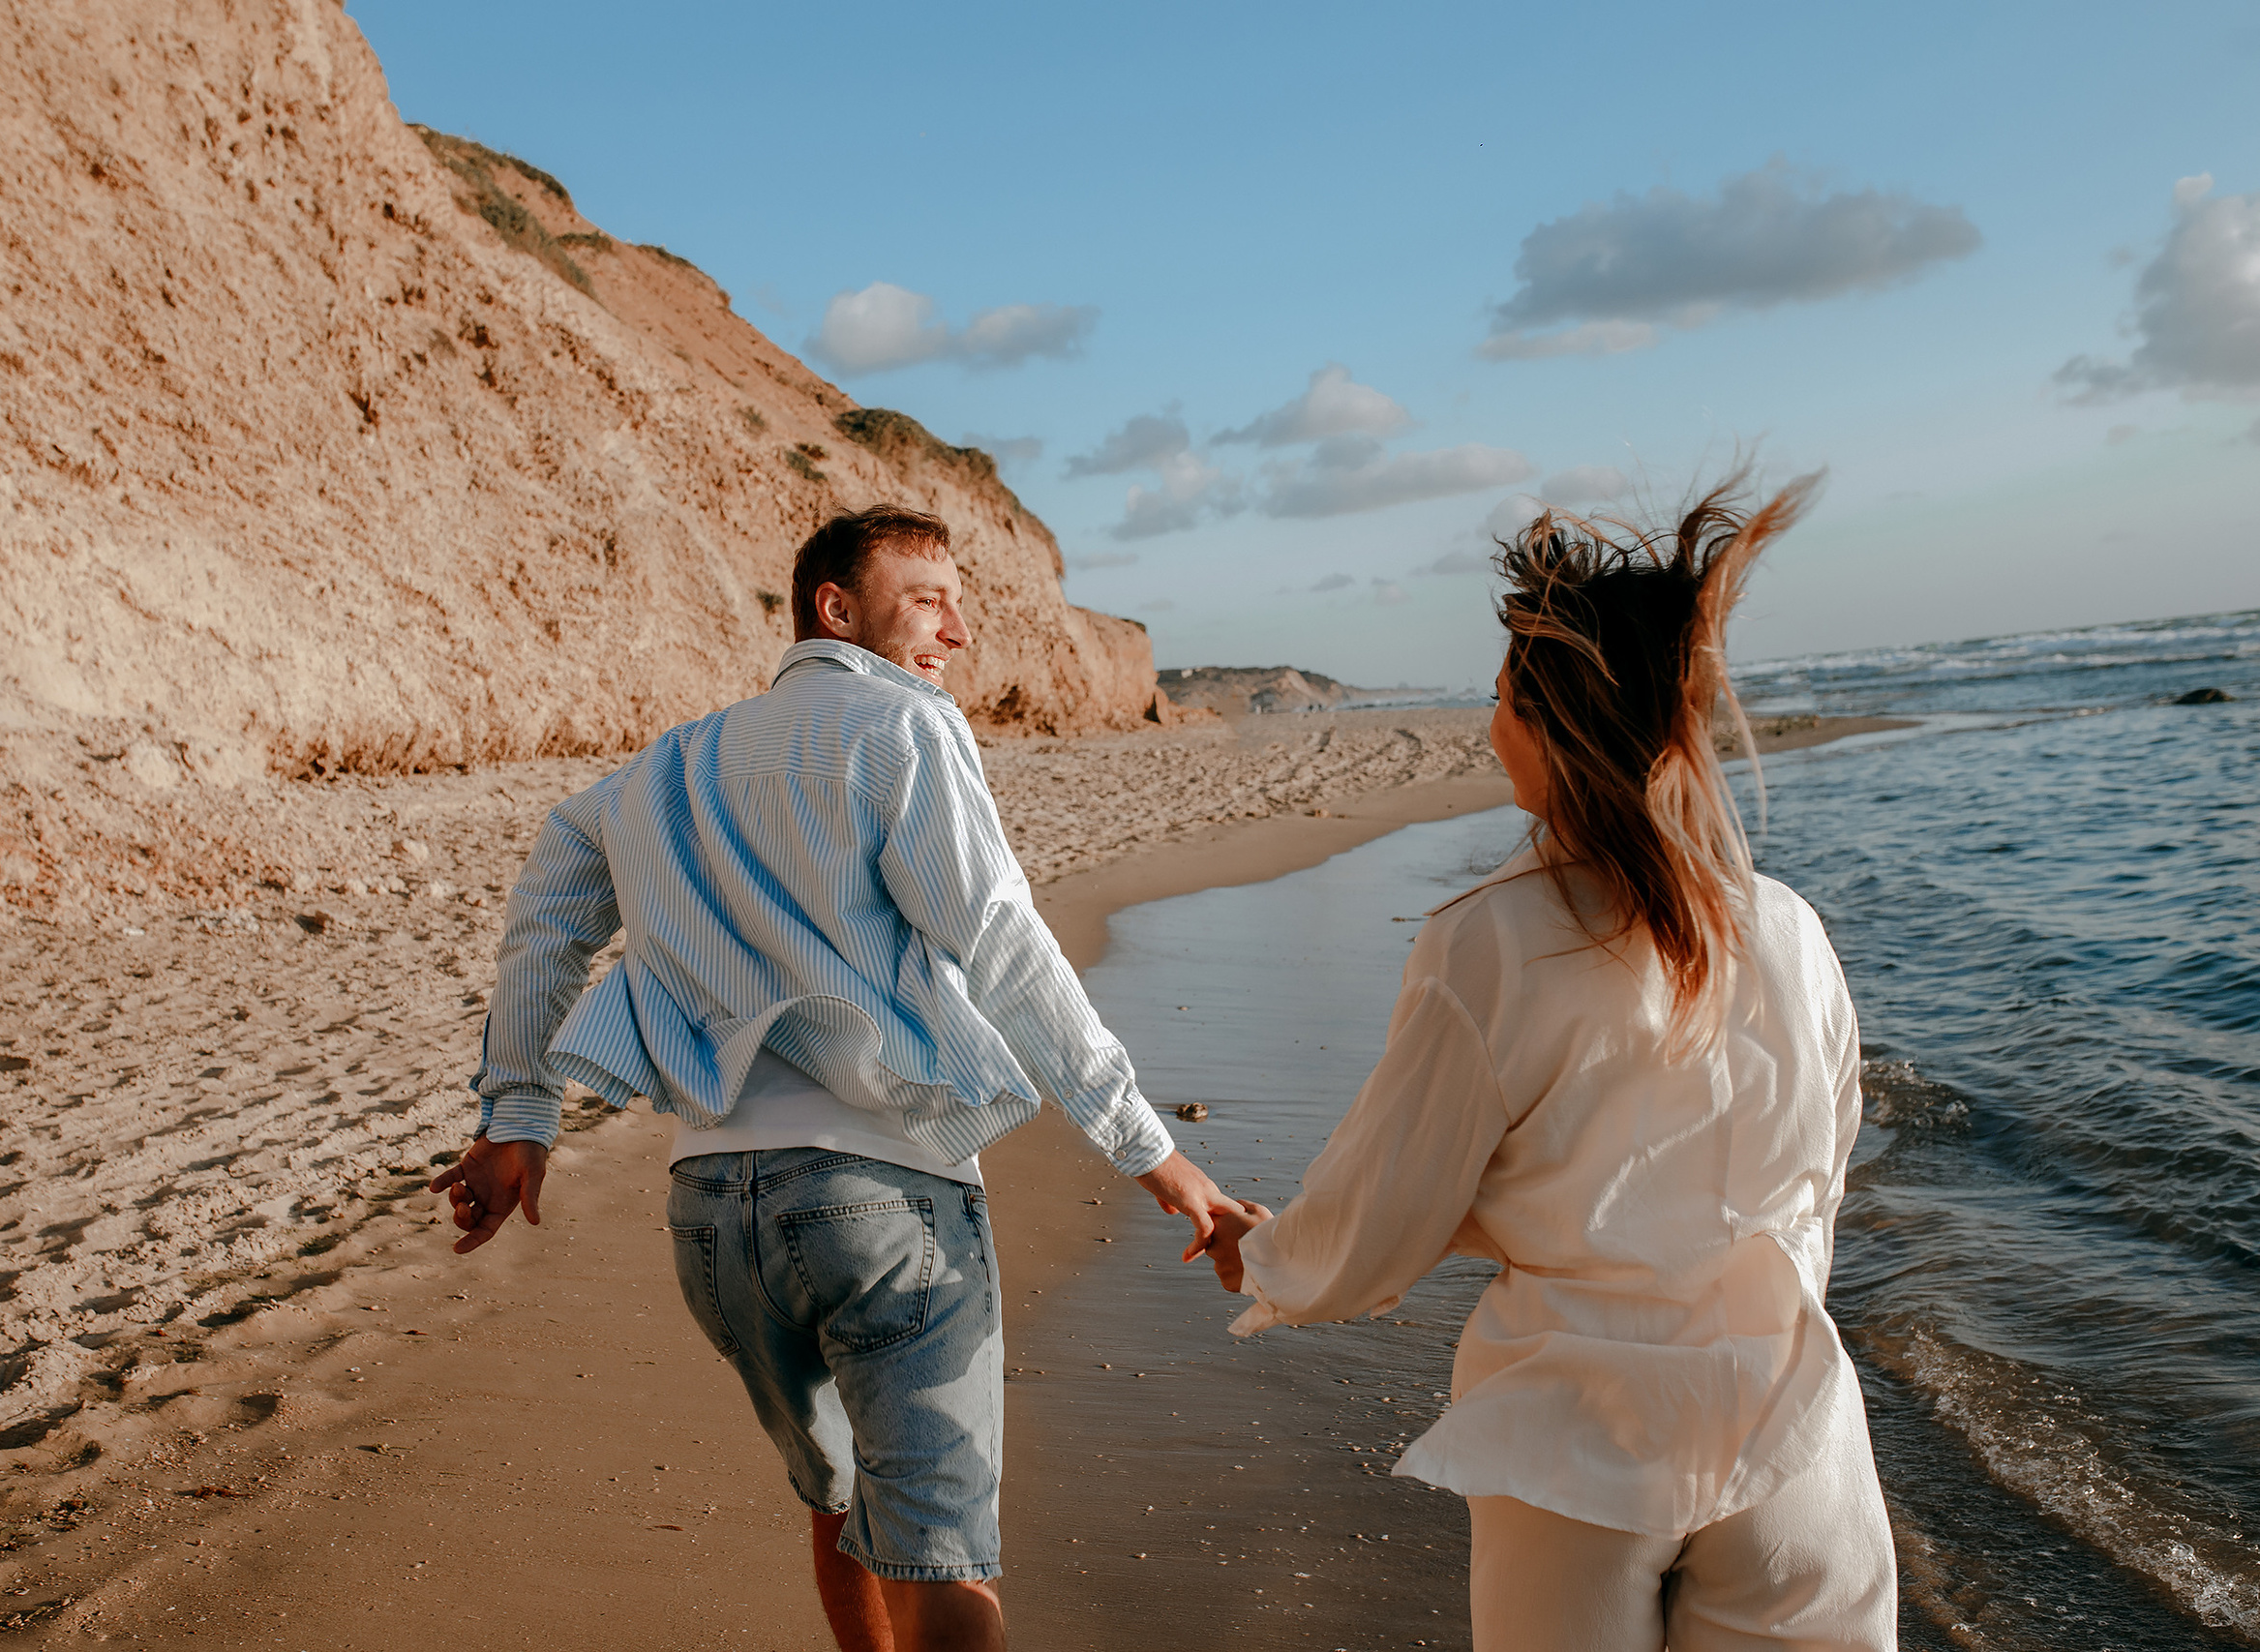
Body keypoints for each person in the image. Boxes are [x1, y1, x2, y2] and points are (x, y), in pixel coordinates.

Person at [435, 504, 1239, 1652]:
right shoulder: (901, 725)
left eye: (962, 603)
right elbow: (1001, 942)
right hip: (886, 1203)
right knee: (938, 1558)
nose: (956, 630)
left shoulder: (663, 765)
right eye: (928, 597)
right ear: (836, 608)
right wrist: (1150, 1152)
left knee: (846, 1503)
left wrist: (517, 1120)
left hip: (715, 1222)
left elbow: (545, 923)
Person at [1202, 479, 1898, 1649]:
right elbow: (1818, 1174)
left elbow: (1388, 1202)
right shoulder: (1789, 927)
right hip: (1794, 1432)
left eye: (1500, 702)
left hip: (1583, 1439)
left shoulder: (1491, 943)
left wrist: (1263, 1260)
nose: (1489, 729)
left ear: (1553, 722)